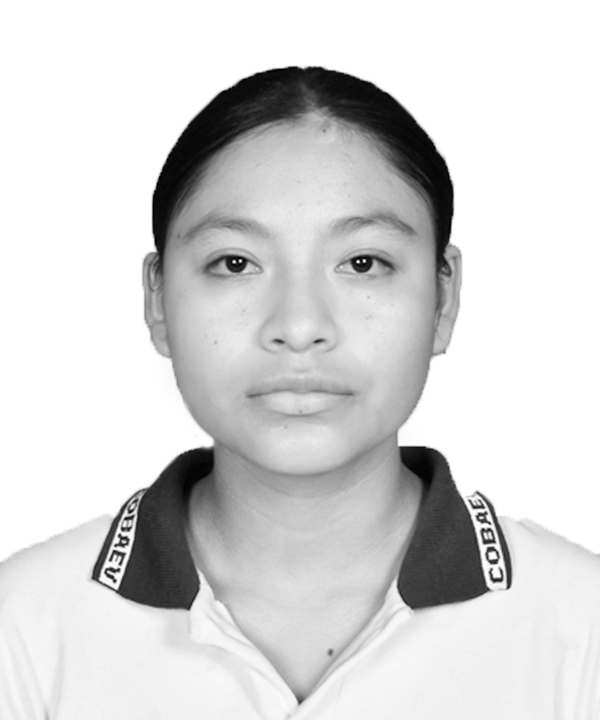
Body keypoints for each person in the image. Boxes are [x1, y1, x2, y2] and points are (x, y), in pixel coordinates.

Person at [1, 66, 599, 719]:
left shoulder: (579, 629)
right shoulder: (23, 631)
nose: (299, 325)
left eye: (363, 263)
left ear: (444, 296)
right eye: (235, 263)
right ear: (158, 299)